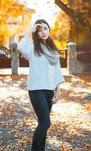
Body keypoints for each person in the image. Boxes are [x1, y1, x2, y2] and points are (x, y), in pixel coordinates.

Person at [18, 19, 65, 151]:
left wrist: (58, 91)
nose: (43, 32)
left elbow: (57, 71)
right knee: (45, 122)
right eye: (39, 30)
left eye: (45, 28)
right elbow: (20, 46)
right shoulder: (32, 49)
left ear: (49, 29)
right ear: (36, 33)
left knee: (42, 124)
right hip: (36, 89)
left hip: (49, 90)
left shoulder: (53, 50)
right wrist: (30, 31)